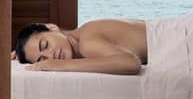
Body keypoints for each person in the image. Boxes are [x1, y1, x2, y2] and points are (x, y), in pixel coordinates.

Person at [10, 19, 147, 75]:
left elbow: (131, 63)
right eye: (42, 59)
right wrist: (21, 54)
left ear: (52, 28)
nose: (51, 55)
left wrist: (61, 65)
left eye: (45, 45)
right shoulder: (83, 36)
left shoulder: (86, 41)